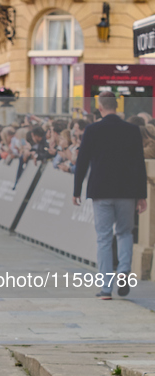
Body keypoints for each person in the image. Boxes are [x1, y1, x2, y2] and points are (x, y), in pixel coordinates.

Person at [73, 91, 148, 300]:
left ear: (100, 107)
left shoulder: (92, 130)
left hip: (101, 190)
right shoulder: (132, 130)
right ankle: (124, 270)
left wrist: (76, 190)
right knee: (125, 233)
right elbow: (139, 164)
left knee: (104, 237)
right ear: (117, 106)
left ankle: (106, 288)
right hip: (127, 191)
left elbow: (82, 161)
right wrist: (142, 195)